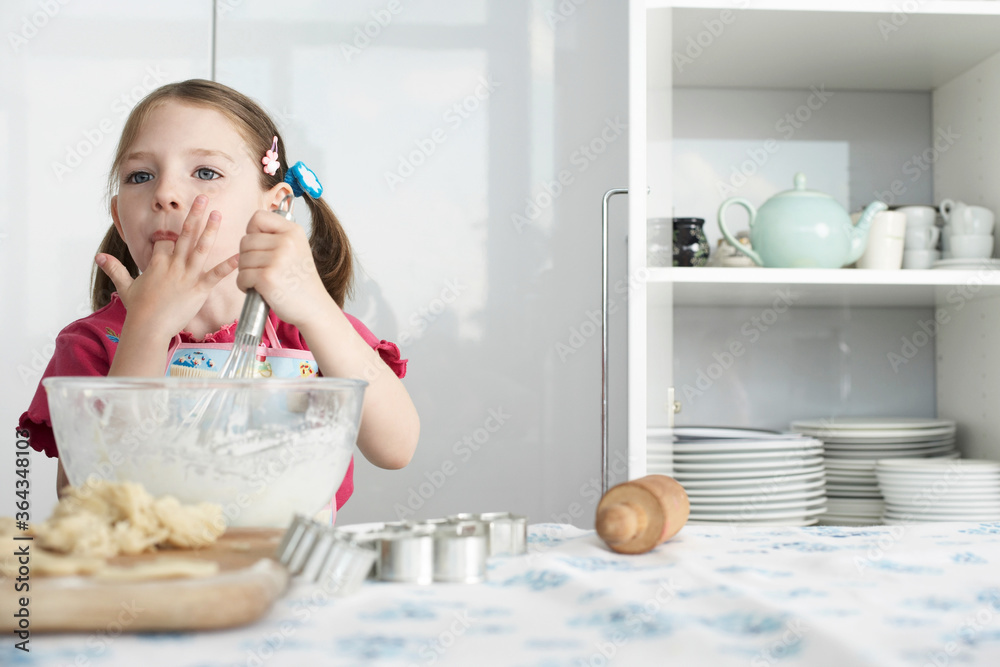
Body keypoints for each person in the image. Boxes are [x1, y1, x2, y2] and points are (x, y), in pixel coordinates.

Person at [18, 79, 420, 516]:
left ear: (275, 207)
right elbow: (89, 500)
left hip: (289, 579)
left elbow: (395, 447)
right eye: (141, 176)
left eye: (206, 172)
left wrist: (316, 307)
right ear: (119, 216)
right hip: (152, 580)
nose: (165, 194)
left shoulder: (306, 329)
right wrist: (146, 331)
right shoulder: (92, 344)